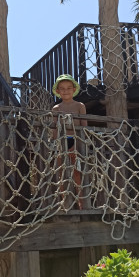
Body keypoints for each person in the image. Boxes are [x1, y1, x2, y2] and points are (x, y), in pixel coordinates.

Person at [52, 74, 87, 209]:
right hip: (62, 142)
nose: (65, 91)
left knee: (77, 172)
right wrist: (57, 144)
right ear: (58, 91)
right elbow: (54, 128)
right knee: (62, 172)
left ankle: (81, 202)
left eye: (68, 88)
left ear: (74, 89)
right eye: (62, 88)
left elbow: (84, 126)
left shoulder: (80, 106)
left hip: (75, 140)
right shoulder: (56, 108)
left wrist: (79, 144)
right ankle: (64, 202)